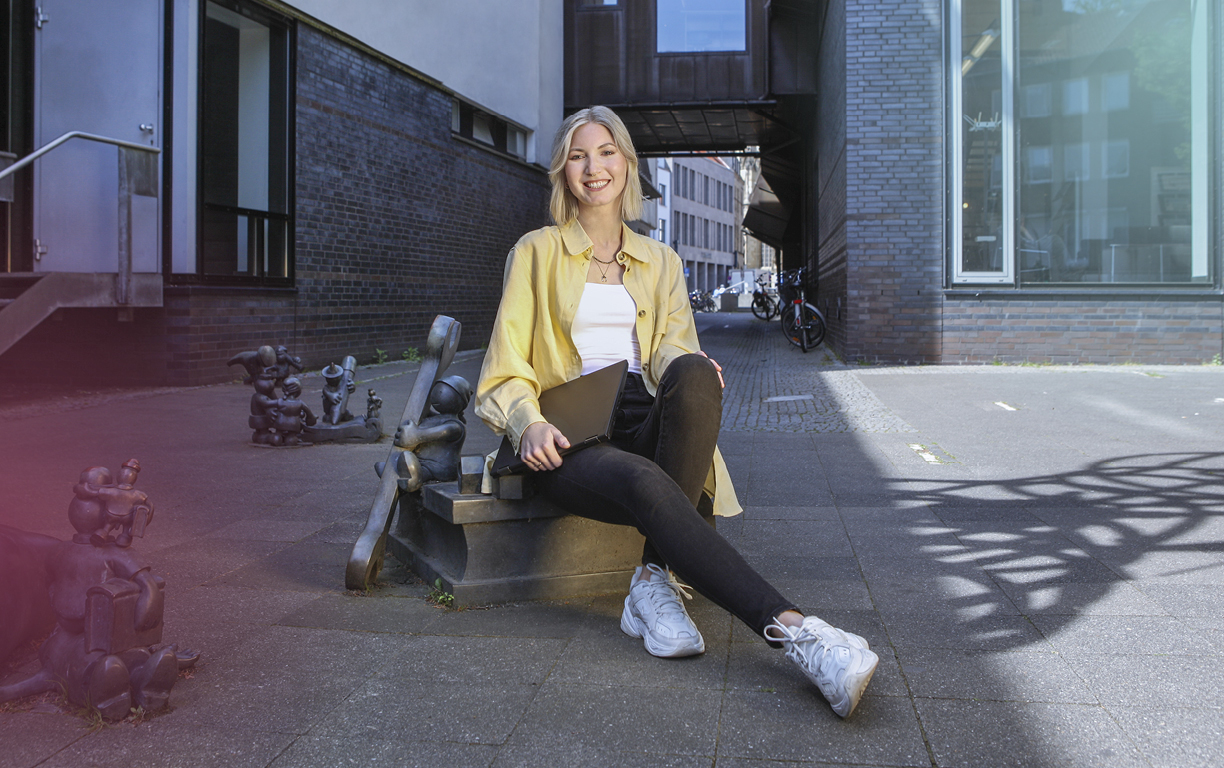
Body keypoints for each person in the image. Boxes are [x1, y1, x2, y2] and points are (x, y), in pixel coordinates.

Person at [475, 106, 878, 718]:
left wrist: (688, 365)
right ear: (563, 171)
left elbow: (669, 344)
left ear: (627, 164)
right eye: (579, 155)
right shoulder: (535, 252)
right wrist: (527, 421)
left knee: (694, 370)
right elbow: (504, 366)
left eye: (606, 152)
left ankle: (651, 580)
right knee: (645, 480)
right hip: (567, 429)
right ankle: (800, 635)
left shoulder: (659, 260)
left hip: (638, 410)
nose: (594, 167)